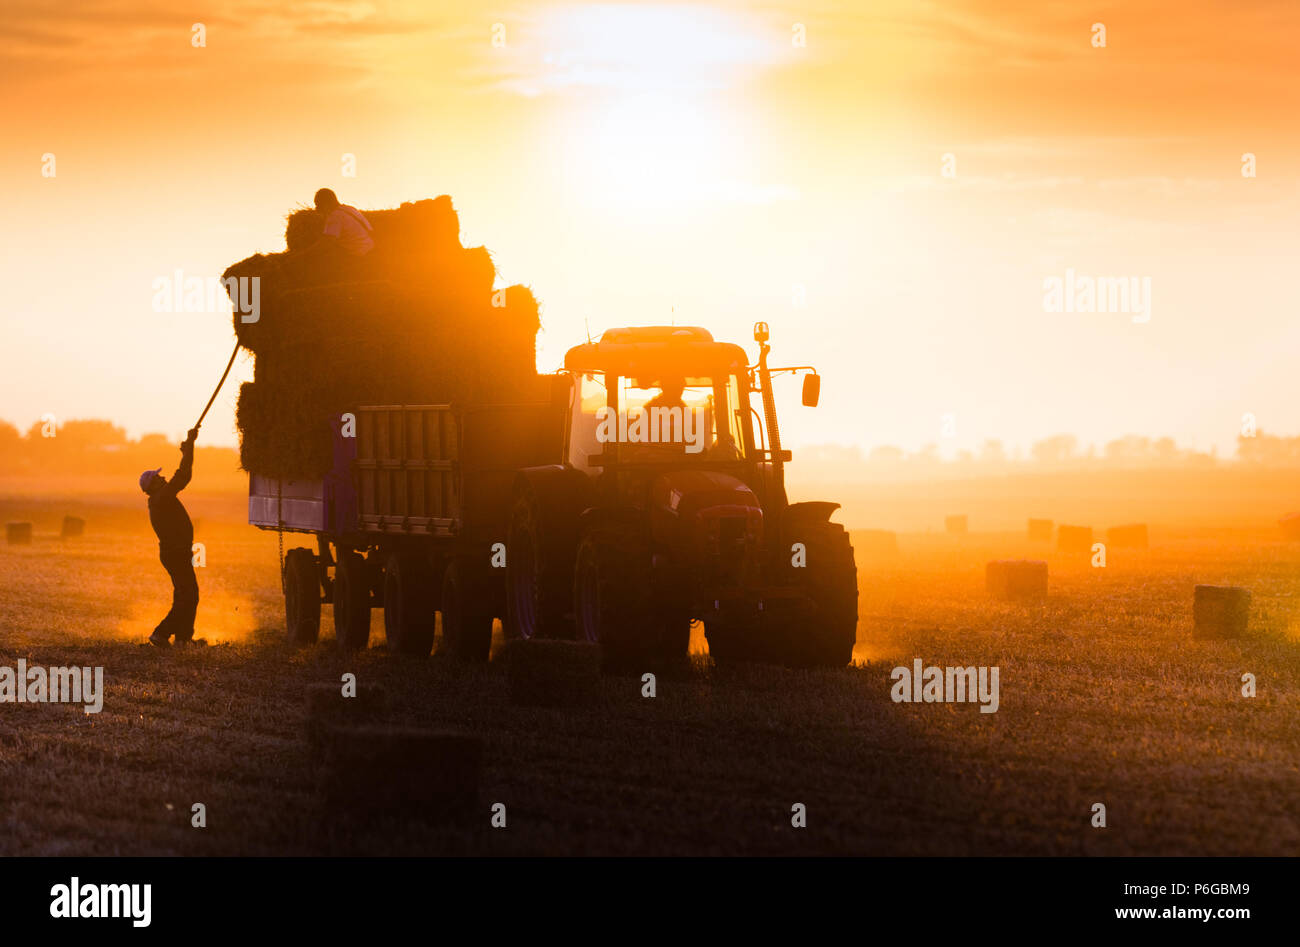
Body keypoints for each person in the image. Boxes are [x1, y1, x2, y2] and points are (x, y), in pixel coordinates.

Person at [140, 429, 203, 648]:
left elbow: (180, 476)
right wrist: (189, 448)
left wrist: (187, 450)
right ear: (153, 485)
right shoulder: (162, 498)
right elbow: (183, 475)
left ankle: (184, 639)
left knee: (186, 595)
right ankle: (161, 633)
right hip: (176, 553)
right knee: (189, 596)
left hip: (175, 552)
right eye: (158, 477)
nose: (163, 477)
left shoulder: (158, 498)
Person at [312, 188, 374, 258]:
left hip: (357, 253)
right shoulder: (350, 209)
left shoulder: (334, 216)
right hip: (370, 247)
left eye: (318, 205)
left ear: (325, 204)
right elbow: (370, 230)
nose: (316, 208)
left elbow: (326, 243)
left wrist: (303, 255)